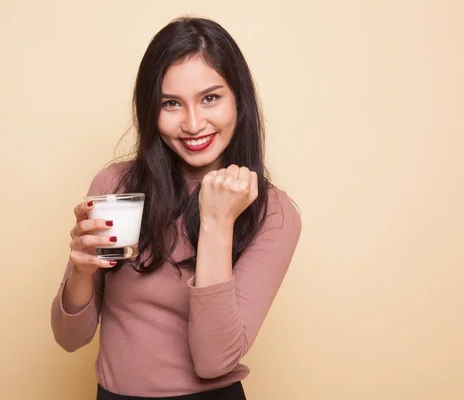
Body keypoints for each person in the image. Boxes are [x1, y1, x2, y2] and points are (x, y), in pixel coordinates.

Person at [51, 16, 302, 400]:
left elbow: (214, 360)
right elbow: (70, 338)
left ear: (239, 99)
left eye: (210, 98)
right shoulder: (116, 186)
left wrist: (218, 224)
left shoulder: (272, 213)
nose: (193, 123)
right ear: (150, 109)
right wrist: (82, 273)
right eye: (171, 103)